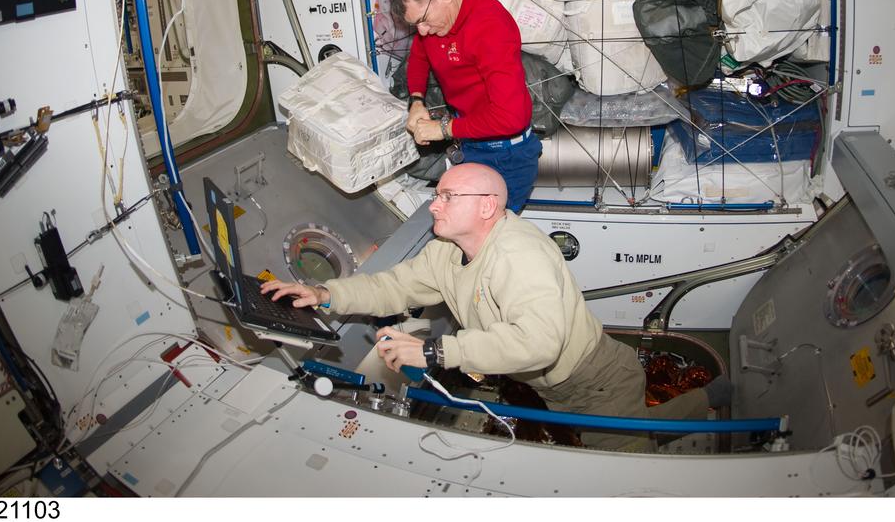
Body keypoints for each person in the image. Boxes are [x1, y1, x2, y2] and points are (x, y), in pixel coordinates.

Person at [261, 163, 731, 452]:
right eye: (436, 195)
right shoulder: (447, 250)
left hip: (597, 379)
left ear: (487, 206)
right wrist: (328, 295)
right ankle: (712, 398)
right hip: (555, 386)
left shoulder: (518, 254)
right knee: (636, 426)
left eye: (447, 197)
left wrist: (434, 352)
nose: (434, 207)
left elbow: (539, 343)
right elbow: (396, 286)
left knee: (621, 476)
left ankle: (711, 398)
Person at [390, 0, 541, 213]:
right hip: (470, 141)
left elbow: (510, 118)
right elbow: (419, 55)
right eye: (415, 26)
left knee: (487, 240)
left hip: (506, 156)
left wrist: (443, 129)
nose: (423, 31)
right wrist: (416, 101)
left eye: (423, 21)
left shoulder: (490, 27)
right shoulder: (439, 22)